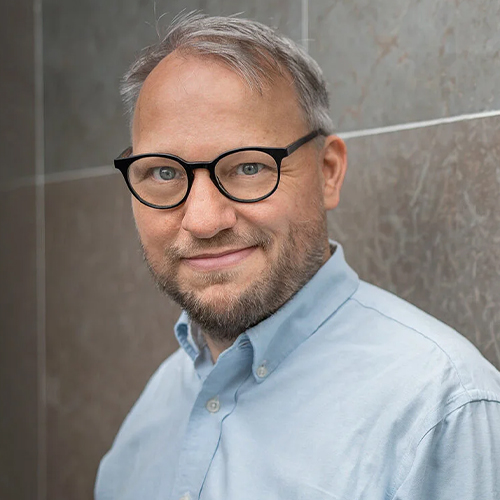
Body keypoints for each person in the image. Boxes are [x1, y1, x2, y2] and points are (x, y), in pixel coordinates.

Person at [95, 13, 500, 500]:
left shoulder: (441, 412)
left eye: (249, 167)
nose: (203, 220)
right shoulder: (148, 422)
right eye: (163, 173)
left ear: (328, 172)